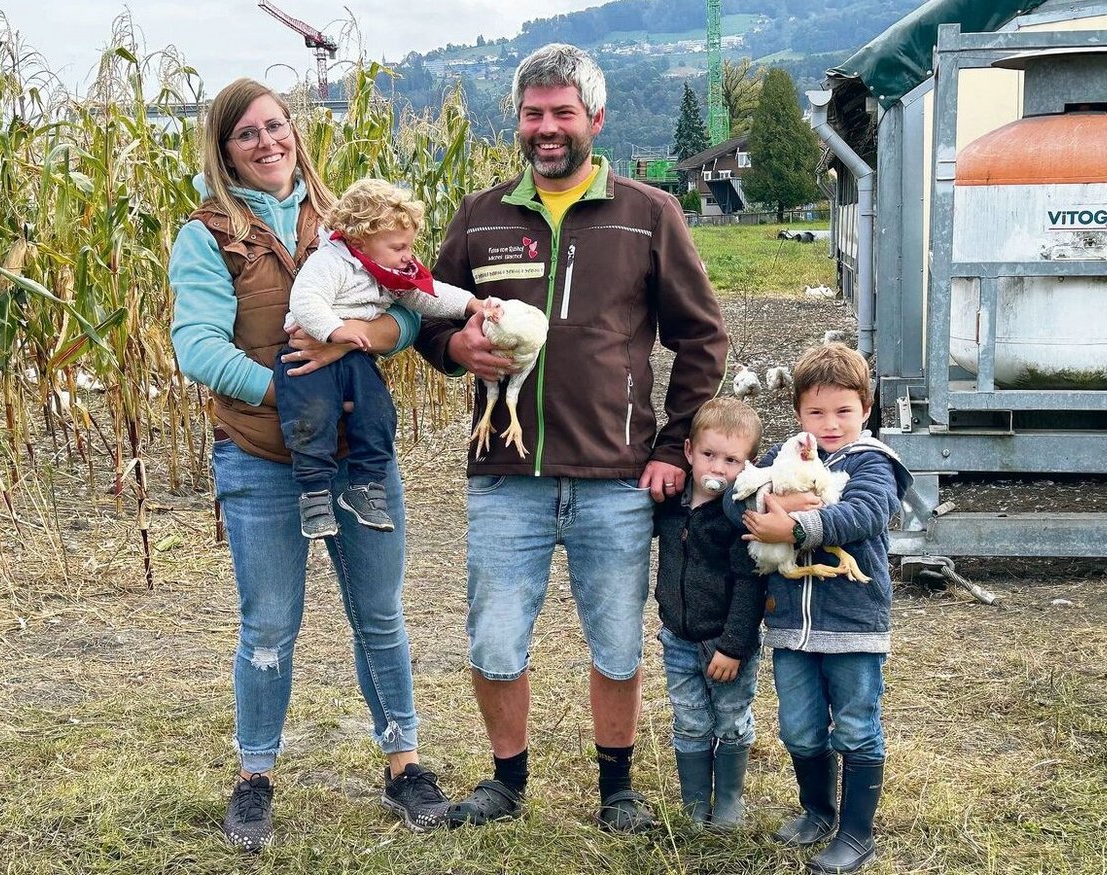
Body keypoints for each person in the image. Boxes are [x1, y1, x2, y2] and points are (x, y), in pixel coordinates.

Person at [415, 43, 729, 831]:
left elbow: (703, 338)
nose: (546, 128)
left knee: (617, 643)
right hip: (504, 471)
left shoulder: (648, 213)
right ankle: (505, 781)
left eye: (561, 113)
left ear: (595, 117)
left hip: (616, 476)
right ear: (517, 122)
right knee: (493, 640)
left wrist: (671, 446)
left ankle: (616, 787)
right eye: (533, 114)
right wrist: (453, 348)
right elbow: (423, 311)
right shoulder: (481, 217)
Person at [168, 77, 449, 851]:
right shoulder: (207, 235)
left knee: (381, 615)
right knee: (269, 625)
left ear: (296, 131)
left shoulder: (345, 220)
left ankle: (404, 763)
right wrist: (293, 401)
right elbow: (196, 345)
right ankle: (255, 775)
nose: (268, 143)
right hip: (260, 458)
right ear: (224, 150)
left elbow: (402, 312)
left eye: (276, 126)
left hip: (359, 455)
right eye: (247, 134)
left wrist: (347, 340)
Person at [727, 343, 913, 874]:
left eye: (843, 411)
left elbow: (866, 513)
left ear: (867, 408)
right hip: (789, 625)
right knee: (800, 728)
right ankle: (816, 811)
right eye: (816, 412)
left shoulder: (875, 463)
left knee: (855, 726)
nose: (830, 424)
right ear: (798, 413)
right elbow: (734, 498)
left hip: (853, 625)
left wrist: (798, 527)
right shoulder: (784, 459)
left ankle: (856, 833)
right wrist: (769, 505)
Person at [277, 178, 486, 537]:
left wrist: (470, 304)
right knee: (312, 418)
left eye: (410, 246)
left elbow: (427, 297)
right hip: (306, 356)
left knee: (379, 413)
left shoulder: (386, 272)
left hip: (356, 359)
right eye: (399, 246)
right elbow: (305, 300)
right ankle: (314, 495)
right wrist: (335, 330)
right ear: (361, 241)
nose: (409, 255)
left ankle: (365, 488)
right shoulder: (330, 262)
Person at [653, 397, 766, 829]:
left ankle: (729, 801)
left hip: (726, 644)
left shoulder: (739, 517)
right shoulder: (670, 505)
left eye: (731, 460)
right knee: (689, 718)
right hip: (678, 639)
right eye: (708, 455)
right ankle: (695, 803)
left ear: (748, 465)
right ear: (688, 452)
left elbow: (750, 584)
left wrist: (733, 645)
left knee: (732, 718)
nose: (717, 469)